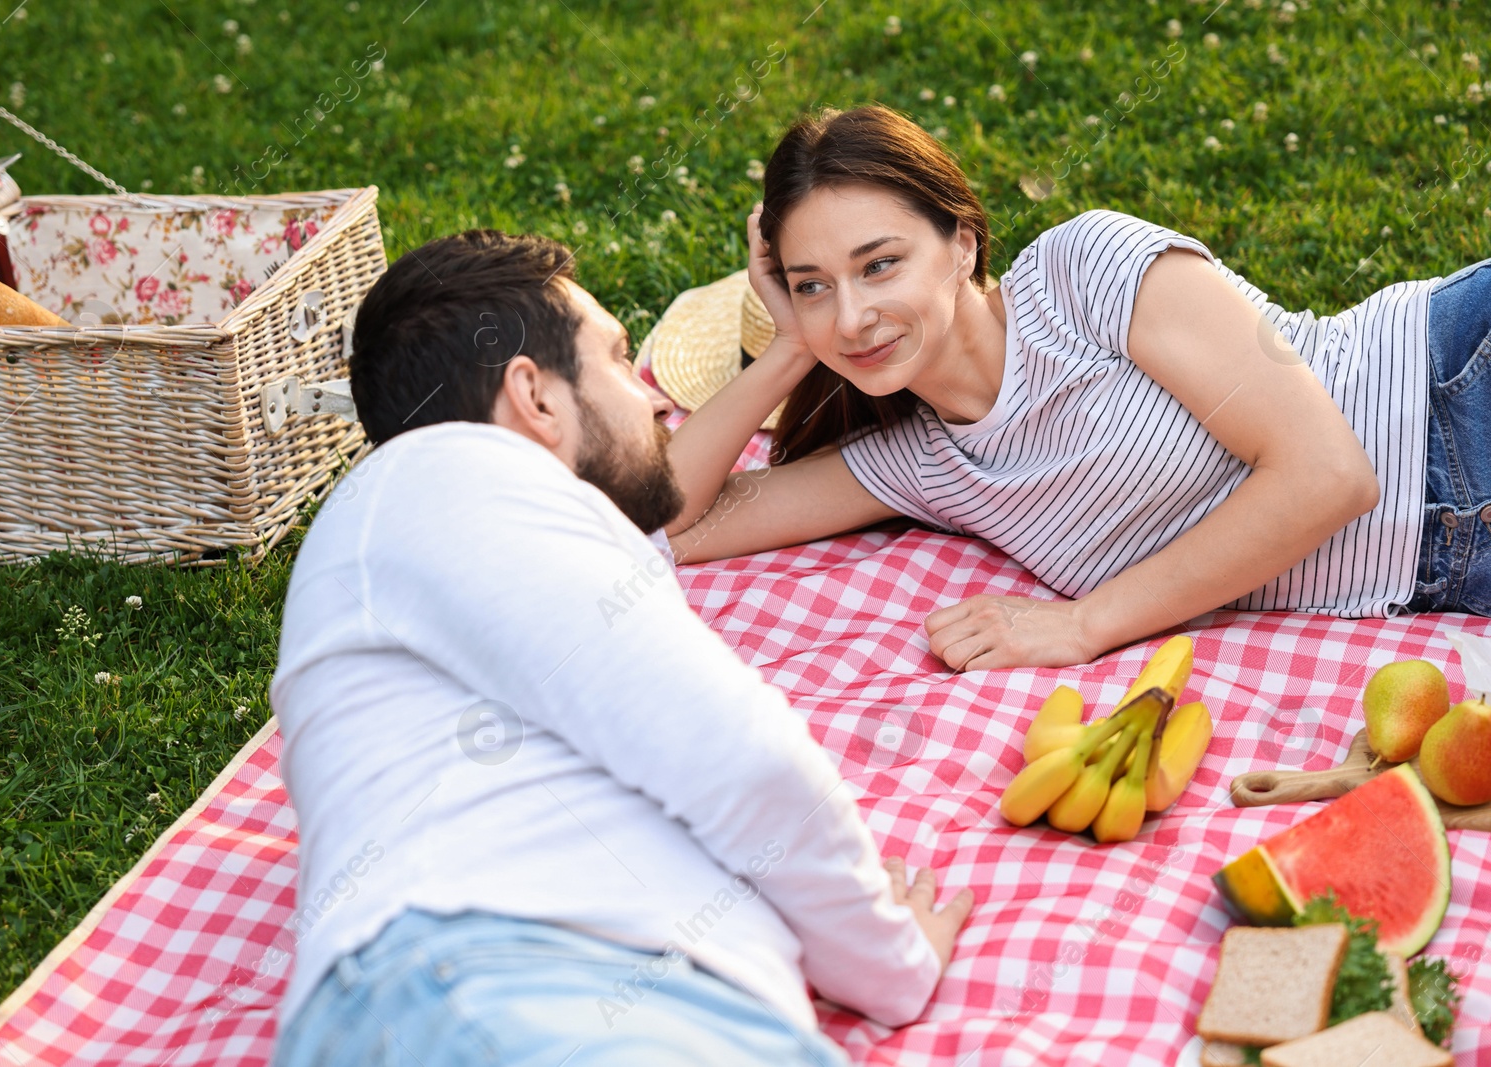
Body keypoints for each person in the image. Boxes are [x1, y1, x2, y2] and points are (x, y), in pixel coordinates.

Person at [268, 229, 973, 1067]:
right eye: (617, 356)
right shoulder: (444, 475)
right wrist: (891, 958)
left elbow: (669, 540)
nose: (646, 394)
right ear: (534, 396)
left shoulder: (459, 530)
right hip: (519, 993)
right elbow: (735, 755)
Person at [663, 104, 1491, 673]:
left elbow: (1330, 474)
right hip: (1451, 565)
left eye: (881, 264)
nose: (853, 317)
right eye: (813, 285)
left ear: (962, 244)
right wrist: (785, 352)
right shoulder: (917, 464)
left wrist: (1083, 623)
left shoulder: (1080, 273)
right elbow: (666, 527)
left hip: (1452, 388)